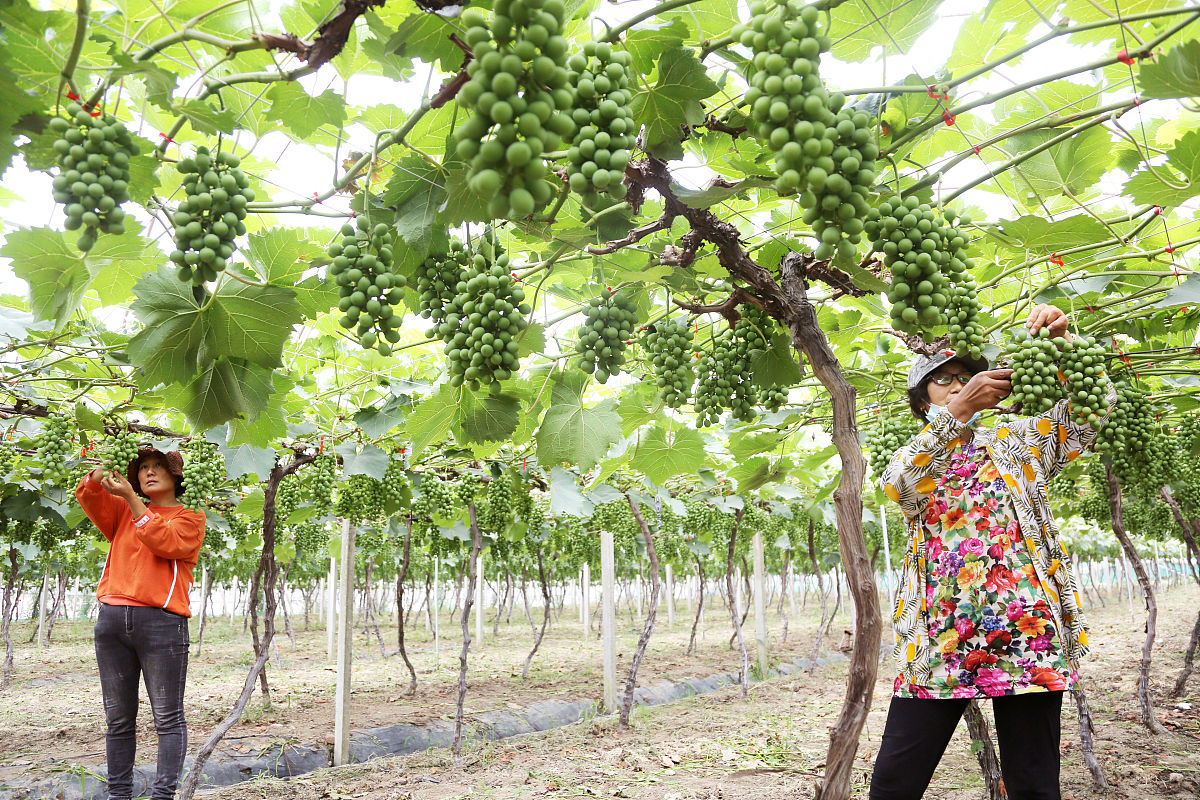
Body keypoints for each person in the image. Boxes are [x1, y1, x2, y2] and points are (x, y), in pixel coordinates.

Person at [870, 305, 1115, 800]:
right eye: (943, 382)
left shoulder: (1019, 440)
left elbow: (1093, 414)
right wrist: (958, 414)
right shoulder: (916, 454)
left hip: (1028, 635)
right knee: (895, 781)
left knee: (1034, 784)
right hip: (940, 637)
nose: (959, 384)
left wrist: (1064, 343)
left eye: (966, 375)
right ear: (923, 404)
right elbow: (899, 488)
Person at [76, 446, 205, 800]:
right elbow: (88, 493)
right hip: (112, 622)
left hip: (162, 623)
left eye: (157, 466)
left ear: (175, 476)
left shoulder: (189, 516)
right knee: (118, 719)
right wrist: (107, 461)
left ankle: (163, 795)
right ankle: (120, 795)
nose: (149, 472)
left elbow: (164, 542)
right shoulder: (121, 510)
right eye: (143, 467)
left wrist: (132, 499)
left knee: (167, 717)